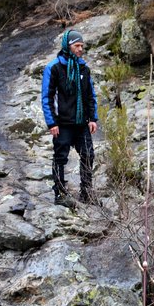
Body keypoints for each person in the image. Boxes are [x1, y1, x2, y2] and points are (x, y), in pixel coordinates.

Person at [41, 30, 98, 208]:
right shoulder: (54, 68)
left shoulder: (84, 68)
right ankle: (59, 193)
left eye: (82, 46)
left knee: (88, 155)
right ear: (68, 46)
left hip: (82, 123)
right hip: (62, 124)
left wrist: (92, 118)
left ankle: (87, 192)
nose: (80, 49)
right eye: (77, 46)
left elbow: (90, 95)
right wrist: (52, 123)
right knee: (60, 158)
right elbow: (47, 97)